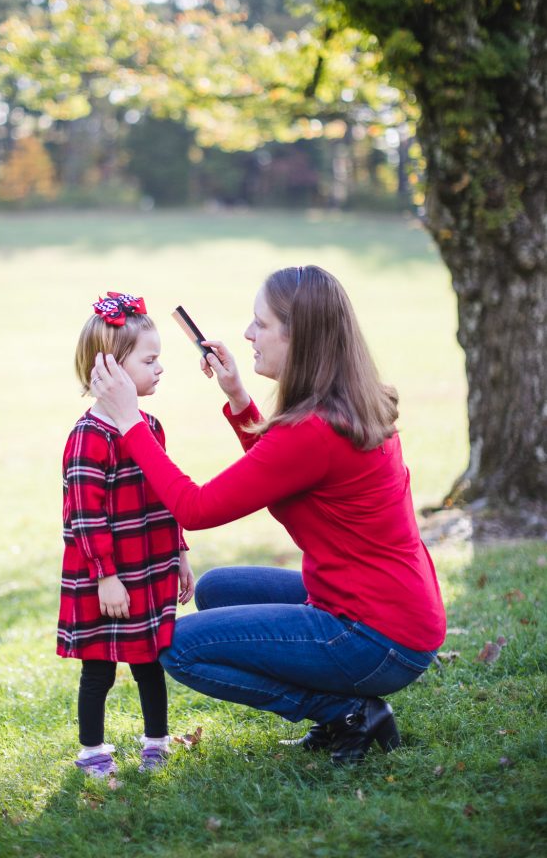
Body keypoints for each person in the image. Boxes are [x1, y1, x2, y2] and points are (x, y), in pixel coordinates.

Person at [91, 267, 447, 765]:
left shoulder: (314, 430)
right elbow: (285, 469)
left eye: (260, 323)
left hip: (377, 636)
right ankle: (344, 703)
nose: (247, 334)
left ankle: (345, 712)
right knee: (216, 590)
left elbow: (195, 508)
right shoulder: (342, 404)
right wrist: (238, 396)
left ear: (297, 335)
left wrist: (130, 423)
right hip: (390, 607)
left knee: (178, 647)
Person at [57, 291, 194, 778]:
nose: (160, 368)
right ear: (112, 367)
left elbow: (167, 495)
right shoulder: (89, 436)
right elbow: (84, 517)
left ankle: (155, 742)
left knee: (150, 659)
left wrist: (179, 552)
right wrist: (105, 576)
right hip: (107, 574)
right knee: (99, 669)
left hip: (151, 563)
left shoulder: (149, 428)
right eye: (150, 359)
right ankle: (93, 751)